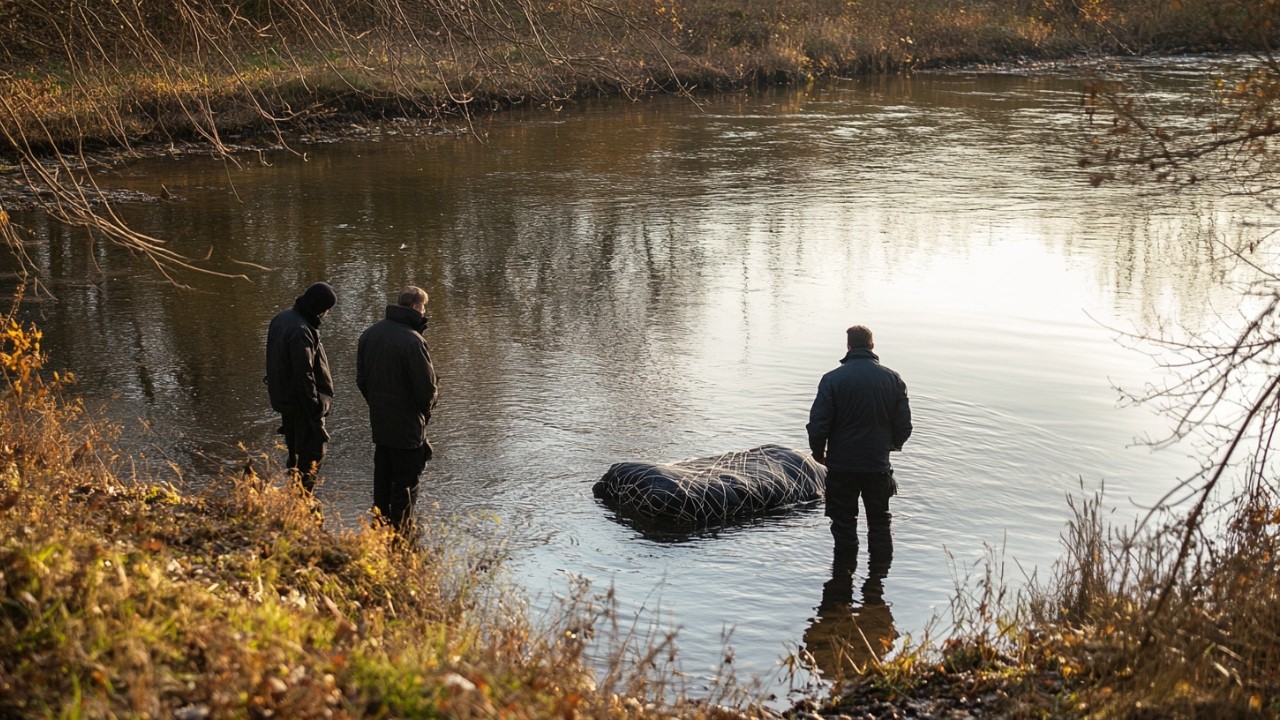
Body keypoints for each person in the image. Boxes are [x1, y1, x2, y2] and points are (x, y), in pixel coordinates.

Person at [807, 324, 912, 576]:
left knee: (843, 524)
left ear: (849, 346)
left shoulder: (832, 379)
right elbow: (904, 426)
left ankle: (843, 577)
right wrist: (890, 447)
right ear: (872, 346)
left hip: (842, 467)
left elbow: (818, 425)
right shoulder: (893, 379)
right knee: (880, 521)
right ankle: (878, 581)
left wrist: (819, 454)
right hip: (877, 466)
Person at [356, 286, 439, 537]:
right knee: (405, 484)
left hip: (380, 423)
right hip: (407, 427)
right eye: (424, 307)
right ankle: (403, 538)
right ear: (415, 307)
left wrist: (377, 404)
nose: (425, 312)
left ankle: (378, 532)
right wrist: (424, 413)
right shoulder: (414, 341)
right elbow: (426, 390)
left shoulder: (369, 334)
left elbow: (362, 380)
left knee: (382, 480)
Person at [265, 281, 337, 494]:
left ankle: (294, 500)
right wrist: (315, 407)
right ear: (319, 307)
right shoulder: (301, 329)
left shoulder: (282, 319)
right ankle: (302, 502)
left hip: (285, 401)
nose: (327, 313)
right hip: (302, 406)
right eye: (326, 309)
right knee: (313, 454)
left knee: (295, 455)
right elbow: (303, 373)